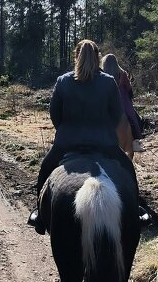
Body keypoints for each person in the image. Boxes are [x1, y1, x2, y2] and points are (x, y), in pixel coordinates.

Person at [28, 39, 138, 232]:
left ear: (75, 57)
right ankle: (137, 212)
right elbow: (117, 116)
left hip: (67, 144)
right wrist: (104, 131)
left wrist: (67, 130)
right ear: (98, 58)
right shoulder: (108, 82)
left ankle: (39, 215)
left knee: (45, 169)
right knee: (128, 169)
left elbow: (55, 115)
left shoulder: (63, 81)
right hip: (105, 145)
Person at [101, 53, 144, 153]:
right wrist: (129, 95)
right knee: (135, 119)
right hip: (122, 100)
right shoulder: (123, 73)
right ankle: (136, 141)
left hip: (107, 101)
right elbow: (129, 88)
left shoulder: (102, 74)